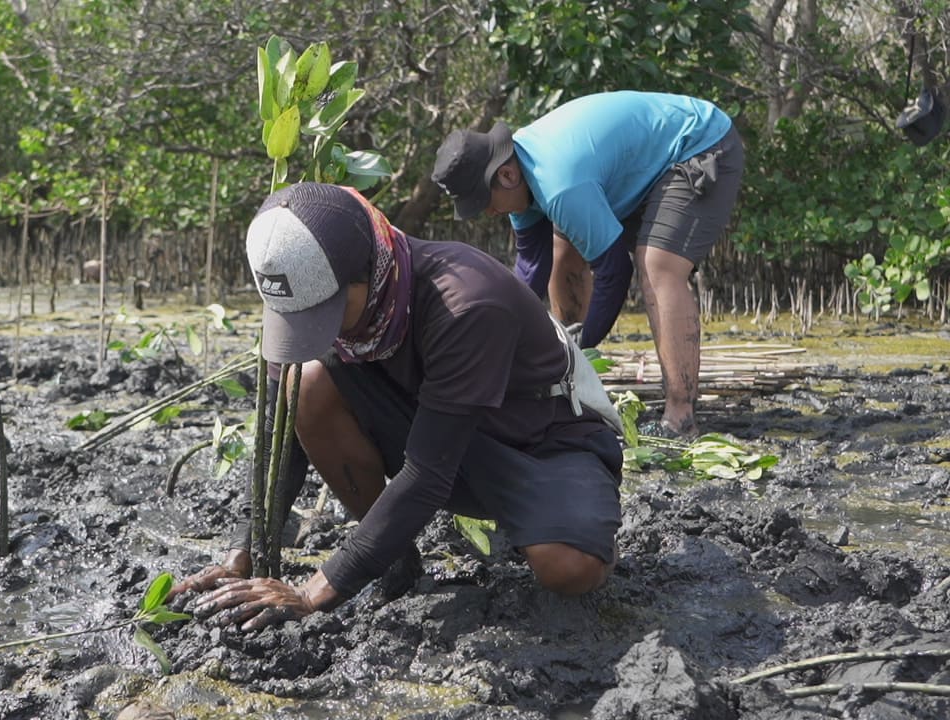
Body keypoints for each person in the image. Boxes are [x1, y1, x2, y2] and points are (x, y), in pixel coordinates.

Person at [170, 182, 622, 631]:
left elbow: (427, 473)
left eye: (324, 315)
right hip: (433, 429)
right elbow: (279, 440)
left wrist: (315, 592)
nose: (318, 335)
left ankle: (582, 526)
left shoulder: (465, 301)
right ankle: (395, 561)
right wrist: (241, 553)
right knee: (304, 383)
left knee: (568, 567)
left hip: (541, 440)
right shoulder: (308, 307)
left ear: (370, 271)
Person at [431, 91, 745, 438]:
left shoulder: (559, 184)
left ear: (505, 176)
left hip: (698, 143)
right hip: (634, 166)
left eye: (485, 202)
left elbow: (614, 271)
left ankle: (680, 419)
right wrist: (496, 341)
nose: (489, 213)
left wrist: (581, 349)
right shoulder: (519, 174)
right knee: (563, 249)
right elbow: (532, 267)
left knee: (657, 265)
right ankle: (566, 384)